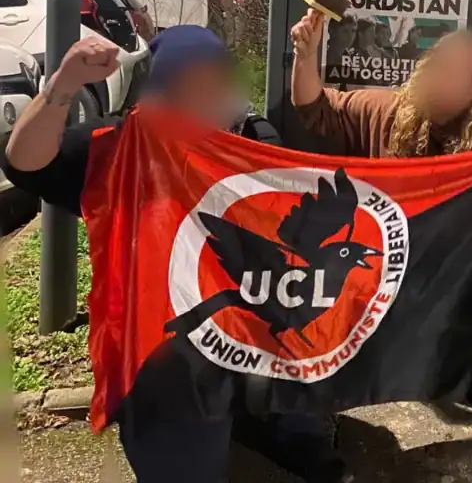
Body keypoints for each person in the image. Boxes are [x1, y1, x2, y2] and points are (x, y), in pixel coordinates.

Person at [0, 25, 351, 483]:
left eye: (216, 81)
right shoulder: (120, 147)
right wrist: (63, 84)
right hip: (165, 350)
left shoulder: (253, 139)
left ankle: (278, 430)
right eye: (191, 84)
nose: (209, 97)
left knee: (303, 361)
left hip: (252, 325)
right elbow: (25, 162)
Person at [290, 9, 472, 438]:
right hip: (399, 244)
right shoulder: (387, 112)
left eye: (460, 74)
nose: (446, 80)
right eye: (441, 67)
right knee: (328, 265)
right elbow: (316, 108)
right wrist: (305, 55)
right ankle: (328, 388)